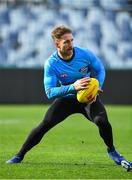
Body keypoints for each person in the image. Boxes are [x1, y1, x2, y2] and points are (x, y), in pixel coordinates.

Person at [6, 26, 132, 171]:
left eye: (71, 40)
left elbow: (99, 69)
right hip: (67, 98)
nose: (71, 44)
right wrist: (73, 87)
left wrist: (97, 87)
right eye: (66, 42)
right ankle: (19, 155)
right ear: (57, 44)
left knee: (102, 121)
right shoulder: (51, 63)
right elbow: (50, 92)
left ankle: (112, 151)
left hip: (87, 98)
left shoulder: (84, 54)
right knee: (45, 124)